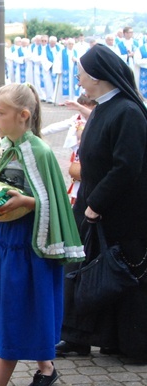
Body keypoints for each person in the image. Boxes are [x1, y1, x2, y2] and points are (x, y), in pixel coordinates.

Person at [0, 84, 84, 386]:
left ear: (22, 115)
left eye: (0, 113)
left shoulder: (39, 151)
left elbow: (53, 202)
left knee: (13, 315)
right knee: (13, 310)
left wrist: (26, 201)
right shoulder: (3, 146)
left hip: (26, 247)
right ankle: (46, 367)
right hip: (2, 243)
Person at [56, 44, 147, 361]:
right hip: (93, 205)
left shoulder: (128, 112)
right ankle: (79, 336)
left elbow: (126, 167)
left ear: (96, 76)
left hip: (116, 212)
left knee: (118, 275)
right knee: (81, 270)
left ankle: (127, 343)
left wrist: (96, 204)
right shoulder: (108, 106)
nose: (78, 76)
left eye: (81, 71)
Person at [41, 94, 97, 205]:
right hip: (77, 156)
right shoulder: (77, 119)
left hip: (92, 157)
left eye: (87, 107)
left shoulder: (97, 119)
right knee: (77, 179)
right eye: (82, 107)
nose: (83, 111)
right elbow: (57, 126)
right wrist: (39, 133)